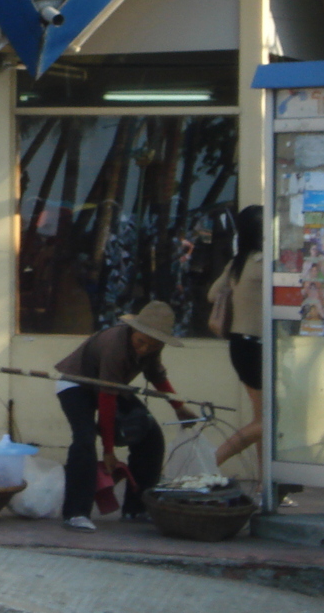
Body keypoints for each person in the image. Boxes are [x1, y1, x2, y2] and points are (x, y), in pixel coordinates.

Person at [54, 301, 189, 532]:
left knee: (151, 437)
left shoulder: (153, 347)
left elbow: (157, 376)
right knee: (85, 440)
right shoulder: (115, 345)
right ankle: (75, 513)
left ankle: (136, 508)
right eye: (140, 342)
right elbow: (106, 401)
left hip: (111, 387)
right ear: (133, 331)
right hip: (76, 385)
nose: (145, 349)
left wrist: (178, 406)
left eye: (152, 345)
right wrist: (109, 451)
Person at [209, 205, 264, 467]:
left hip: (241, 345)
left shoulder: (237, 263)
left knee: (261, 418)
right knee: (267, 421)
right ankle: (209, 461)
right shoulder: (263, 263)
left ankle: (265, 485)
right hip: (257, 347)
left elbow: (211, 294)